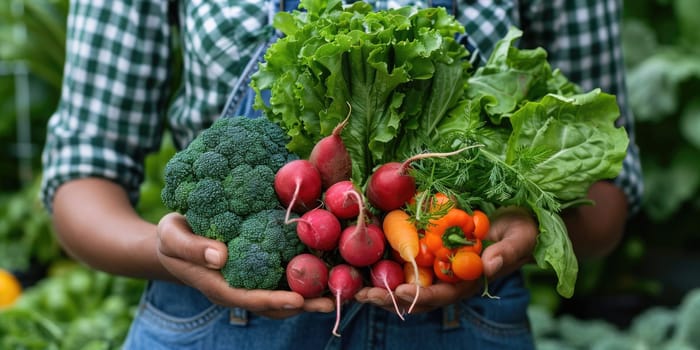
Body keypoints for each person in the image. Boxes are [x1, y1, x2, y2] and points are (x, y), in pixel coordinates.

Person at [40, 0, 643, 348]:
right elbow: (83, 171)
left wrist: (520, 229)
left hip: (456, 304)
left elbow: (607, 186)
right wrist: (166, 251)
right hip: (216, 326)